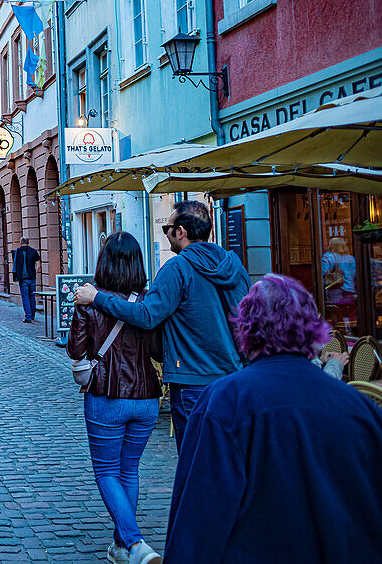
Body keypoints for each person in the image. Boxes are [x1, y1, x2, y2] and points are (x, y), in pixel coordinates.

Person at [164, 274, 382, 563]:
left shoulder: (223, 403)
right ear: (312, 330)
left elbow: (197, 523)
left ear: (246, 329)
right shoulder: (359, 408)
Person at [74, 200, 250, 450]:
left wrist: (97, 298)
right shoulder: (233, 265)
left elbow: (146, 315)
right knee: (225, 457)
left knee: (194, 462)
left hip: (192, 380)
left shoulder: (177, 268)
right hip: (233, 378)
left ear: (181, 232)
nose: (166, 233)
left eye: (167, 227)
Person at [66, 232, 163, 564]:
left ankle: (135, 545)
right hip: (147, 397)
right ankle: (122, 547)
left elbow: (76, 350)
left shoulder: (89, 300)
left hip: (107, 397)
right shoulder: (148, 301)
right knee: (129, 470)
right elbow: (157, 350)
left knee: (107, 472)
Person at [12, 237, 41, 323]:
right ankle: (32, 315)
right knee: (32, 296)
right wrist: (35, 273)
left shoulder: (17, 251)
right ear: (28, 242)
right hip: (32, 277)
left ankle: (28, 317)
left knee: (25, 297)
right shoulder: (33, 251)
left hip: (23, 278)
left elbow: (15, 265)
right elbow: (39, 265)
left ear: (20, 242)